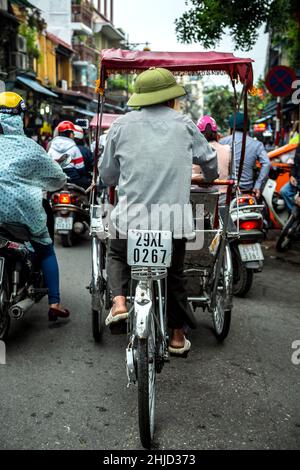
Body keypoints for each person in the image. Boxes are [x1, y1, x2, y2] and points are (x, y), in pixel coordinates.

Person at [99, 67, 218, 356]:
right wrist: (209, 176)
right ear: (170, 98)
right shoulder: (185, 124)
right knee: (173, 275)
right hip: (172, 222)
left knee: (116, 254)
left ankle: (119, 303)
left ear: (140, 97)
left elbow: (107, 174)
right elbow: (210, 163)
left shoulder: (121, 125)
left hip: (130, 220)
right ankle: (177, 337)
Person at [0, 92, 70, 321]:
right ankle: (55, 302)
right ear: (22, 119)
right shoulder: (31, 148)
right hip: (22, 213)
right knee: (46, 249)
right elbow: (59, 179)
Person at [219, 112, 271, 198]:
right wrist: (258, 185)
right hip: (247, 191)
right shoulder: (257, 144)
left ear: (231, 127)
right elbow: (267, 164)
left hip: (227, 190)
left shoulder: (223, 142)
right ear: (247, 128)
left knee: (207, 209)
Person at [196, 115, 231, 203]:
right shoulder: (227, 149)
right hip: (222, 198)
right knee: (223, 216)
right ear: (215, 133)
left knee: (199, 216)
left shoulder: (195, 151)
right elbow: (230, 172)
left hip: (200, 199)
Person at [48, 121, 91, 190]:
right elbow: (80, 168)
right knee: (88, 184)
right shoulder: (74, 148)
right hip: (73, 180)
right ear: (71, 134)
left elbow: (48, 166)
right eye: (73, 133)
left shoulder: (51, 148)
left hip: (55, 180)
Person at [280, 144, 300, 212]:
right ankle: (293, 213)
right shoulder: (299, 147)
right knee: (284, 191)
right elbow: (295, 164)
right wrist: (292, 175)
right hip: (297, 179)